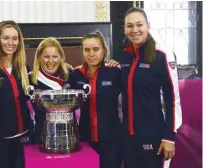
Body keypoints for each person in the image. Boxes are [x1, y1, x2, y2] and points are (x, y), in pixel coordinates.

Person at [120, 7, 182, 168]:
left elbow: (173, 99)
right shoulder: (125, 55)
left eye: (139, 25)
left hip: (153, 136)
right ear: (124, 29)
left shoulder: (162, 54)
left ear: (148, 26)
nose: (134, 30)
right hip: (128, 137)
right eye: (129, 26)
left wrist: (169, 137)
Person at [68, 31, 122, 168]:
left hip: (111, 140)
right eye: (87, 50)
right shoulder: (76, 75)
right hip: (85, 139)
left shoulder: (115, 72)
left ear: (103, 49)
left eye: (95, 49)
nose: (91, 54)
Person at [0, 20, 33, 168]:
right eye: (6, 38)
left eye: (14, 38)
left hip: (26, 138)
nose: (10, 43)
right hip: (1, 142)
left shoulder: (24, 69)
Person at [28, 37, 70, 144]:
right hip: (40, 138)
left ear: (61, 57)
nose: (51, 61)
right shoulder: (29, 80)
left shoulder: (71, 76)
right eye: (46, 56)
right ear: (39, 58)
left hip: (69, 136)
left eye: (55, 56)